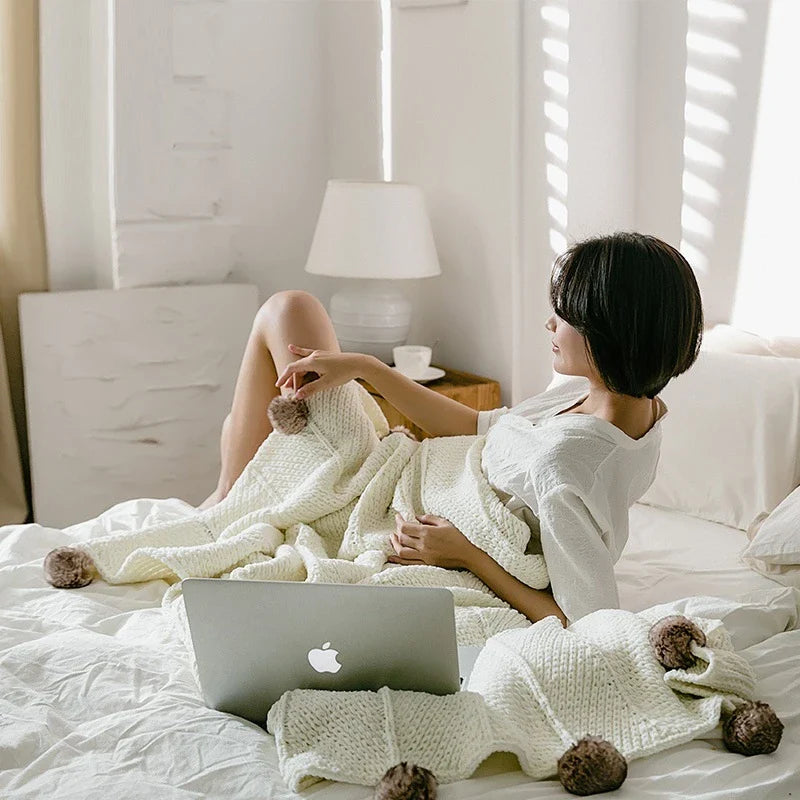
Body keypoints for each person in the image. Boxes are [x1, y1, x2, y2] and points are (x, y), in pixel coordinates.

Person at [199, 231, 703, 628]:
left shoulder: (571, 466)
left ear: (612, 331)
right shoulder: (608, 398)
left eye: (567, 313)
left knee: (287, 312)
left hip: (377, 508)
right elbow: (476, 427)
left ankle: (226, 496)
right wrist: (367, 368)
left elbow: (582, 619)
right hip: (395, 471)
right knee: (293, 313)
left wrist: (466, 555)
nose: (551, 323)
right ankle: (231, 490)